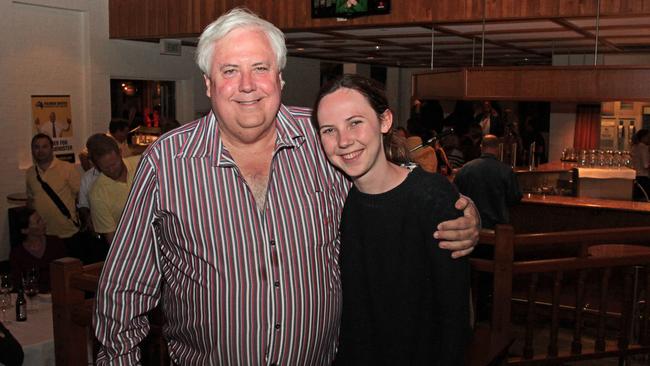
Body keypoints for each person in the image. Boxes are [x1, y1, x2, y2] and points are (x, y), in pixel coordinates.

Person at [93, 8, 479, 365]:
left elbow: (383, 177)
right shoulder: (166, 163)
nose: (247, 85)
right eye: (229, 71)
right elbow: (123, 289)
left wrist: (453, 207)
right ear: (209, 84)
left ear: (279, 78)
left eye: (260, 68)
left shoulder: (321, 136)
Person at [313, 74, 469, 365]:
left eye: (355, 122)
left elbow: (455, 315)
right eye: (328, 130)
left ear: (384, 121)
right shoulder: (339, 199)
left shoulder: (431, 197)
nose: (344, 141)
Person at [25, 133, 81, 257]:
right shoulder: (30, 173)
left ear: (52, 148)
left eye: (44, 146)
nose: (40, 150)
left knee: (70, 272)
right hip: (43, 236)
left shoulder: (67, 168)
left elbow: (81, 196)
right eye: (36, 147)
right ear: (32, 150)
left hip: (67, 233)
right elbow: (31, 199)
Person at [454, 134, 523, 229]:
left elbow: (455, 195)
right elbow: (514, 198)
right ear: (498, 148)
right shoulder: (506, 171)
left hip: (470, 226)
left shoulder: (465, 169)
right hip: (497, 229)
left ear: (481, 147)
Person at [86, 133, 140, 247]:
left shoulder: (142, 164)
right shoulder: (97, 194)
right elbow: (112, 239)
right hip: (133, 248)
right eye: (105, 168)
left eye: (114, 164)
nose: (112, 170)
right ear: (95, 166)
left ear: (120, 153)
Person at [9, 207, 66, 293]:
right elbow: (17, 284)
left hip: (57, 294)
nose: (43, 223)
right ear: (25, 230)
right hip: (32, 297)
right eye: (38, 222)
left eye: (41, 219)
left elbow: (66, 272)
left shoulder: (55, 243)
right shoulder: (17, 253)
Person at [631, 129, 650, 201]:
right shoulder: (643, 147)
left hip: (635, 176)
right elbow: (646, 165)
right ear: (643, 137)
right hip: (643, 177)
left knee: (637, 200)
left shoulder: (634, 146)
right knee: (645, 199)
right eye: (648, 137)